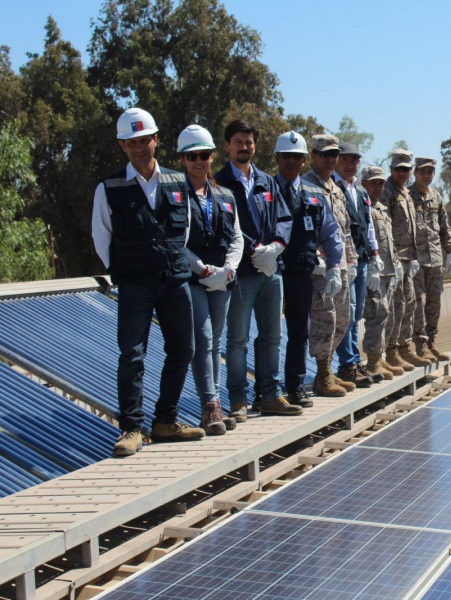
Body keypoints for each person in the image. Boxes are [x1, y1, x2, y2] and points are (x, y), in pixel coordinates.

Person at [92, 107, 204, 457]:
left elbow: (183, 229)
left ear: (155, 140)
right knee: (132, 354)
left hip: (174, 279)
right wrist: (127, 268)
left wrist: (167, 258)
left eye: (145, 141)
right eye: (131, 143)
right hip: (135, 283)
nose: (139, 148)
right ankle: (131, 428)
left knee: (184, 349)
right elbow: (101, 235)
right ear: (123, 146)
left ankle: (165, 420)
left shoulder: (176, 181)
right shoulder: (109, 187)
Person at [215, 120, 300, 419]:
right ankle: (238, 399)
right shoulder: (219, 182)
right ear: (227, 145)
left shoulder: (267, 181)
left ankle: (270, 395)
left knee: (272, 337)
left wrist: (276, 247)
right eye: (238, 141)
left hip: (270, 272)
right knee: (237, 339)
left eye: (249, 142)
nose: (244, 147)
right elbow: (224, 226)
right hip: (241, 273)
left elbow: (284, 218)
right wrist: (254, 250)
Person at [177, 125, 243, 435]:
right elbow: (175, 240)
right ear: (182, 159)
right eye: (192, 156)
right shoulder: (175, 195)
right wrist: (201, 269)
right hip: (194, 280)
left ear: (212, 156)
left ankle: (216, 402)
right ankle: (210, 405)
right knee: (202, 339)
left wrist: (228, 269)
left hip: (222, 279)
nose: (199, 161)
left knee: (216, 341)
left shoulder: (225, 195)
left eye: (204, 155)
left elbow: (237, 237)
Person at [273, 131, 344, 406]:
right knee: (268, 334)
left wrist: (334, 265)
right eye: (287, 157)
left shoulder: (314, 193)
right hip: (270, 271)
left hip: (302, 272)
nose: (292, 162)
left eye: (297, 157)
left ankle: (295, 386)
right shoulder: (266, 187)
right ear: (277, 158)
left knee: (298, 332)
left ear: (304, 160)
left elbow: (330, 232)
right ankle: (265, 392)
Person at [303, 134, 365, 395]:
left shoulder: (336, 189)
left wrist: (351, 261)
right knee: (323, 320)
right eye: (324, 154)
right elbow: (305, 229)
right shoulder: (305, 185)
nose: (330, 159)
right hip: (319, 268)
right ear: (314, 155)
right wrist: (319, 262)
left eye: (333, 155)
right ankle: (321, 375)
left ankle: (328, 369)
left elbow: (346, 230)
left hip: (340, 266)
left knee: (343, 318)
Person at [334, 142, 385, 384]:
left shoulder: (360, 191)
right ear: (337, 160)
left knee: (356, 314)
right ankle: (346, 364)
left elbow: (369, 225)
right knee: (346, 312)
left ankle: (354, 362)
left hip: (363, 259)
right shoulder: (332, 187)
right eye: (345, 159)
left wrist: (374, 255)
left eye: (354, 160)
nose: (350, 164)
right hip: (344, 261)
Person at [379, 149, 429, 371]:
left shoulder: (406, 193)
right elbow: (384, 226)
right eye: (399, 169)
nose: (403, 173)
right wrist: (392, 259)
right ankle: (390, 351)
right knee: (394, 307)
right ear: (391, 169)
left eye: (406, 169)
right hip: (394, 260)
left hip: (409, 258)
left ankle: (403, 348)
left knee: (409, 304)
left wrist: (416, 256)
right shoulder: (386, 191)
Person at [409, 156, 451, 362]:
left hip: (435, 259)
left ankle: (431, 343)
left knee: (434, 302)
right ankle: (419, 345)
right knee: (417, 303)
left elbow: (444, 227)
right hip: (416, 259)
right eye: (422, 172)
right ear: (415, 173)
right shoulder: (407, 195)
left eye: (430, 172)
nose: (426, 175)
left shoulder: (436, 196)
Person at [361, 166, 403, 380]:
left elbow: (389, 240)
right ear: (364, 184)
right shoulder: (362, 206)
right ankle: (372, 361)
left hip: (387, 270)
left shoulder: (383, 209)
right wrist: (370, 265)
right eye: (373, 183)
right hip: (374, 271)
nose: (378, 187)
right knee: (378, 313)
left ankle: (381, 356)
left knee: (388, 315)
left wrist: (395, 265)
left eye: (380, 183)